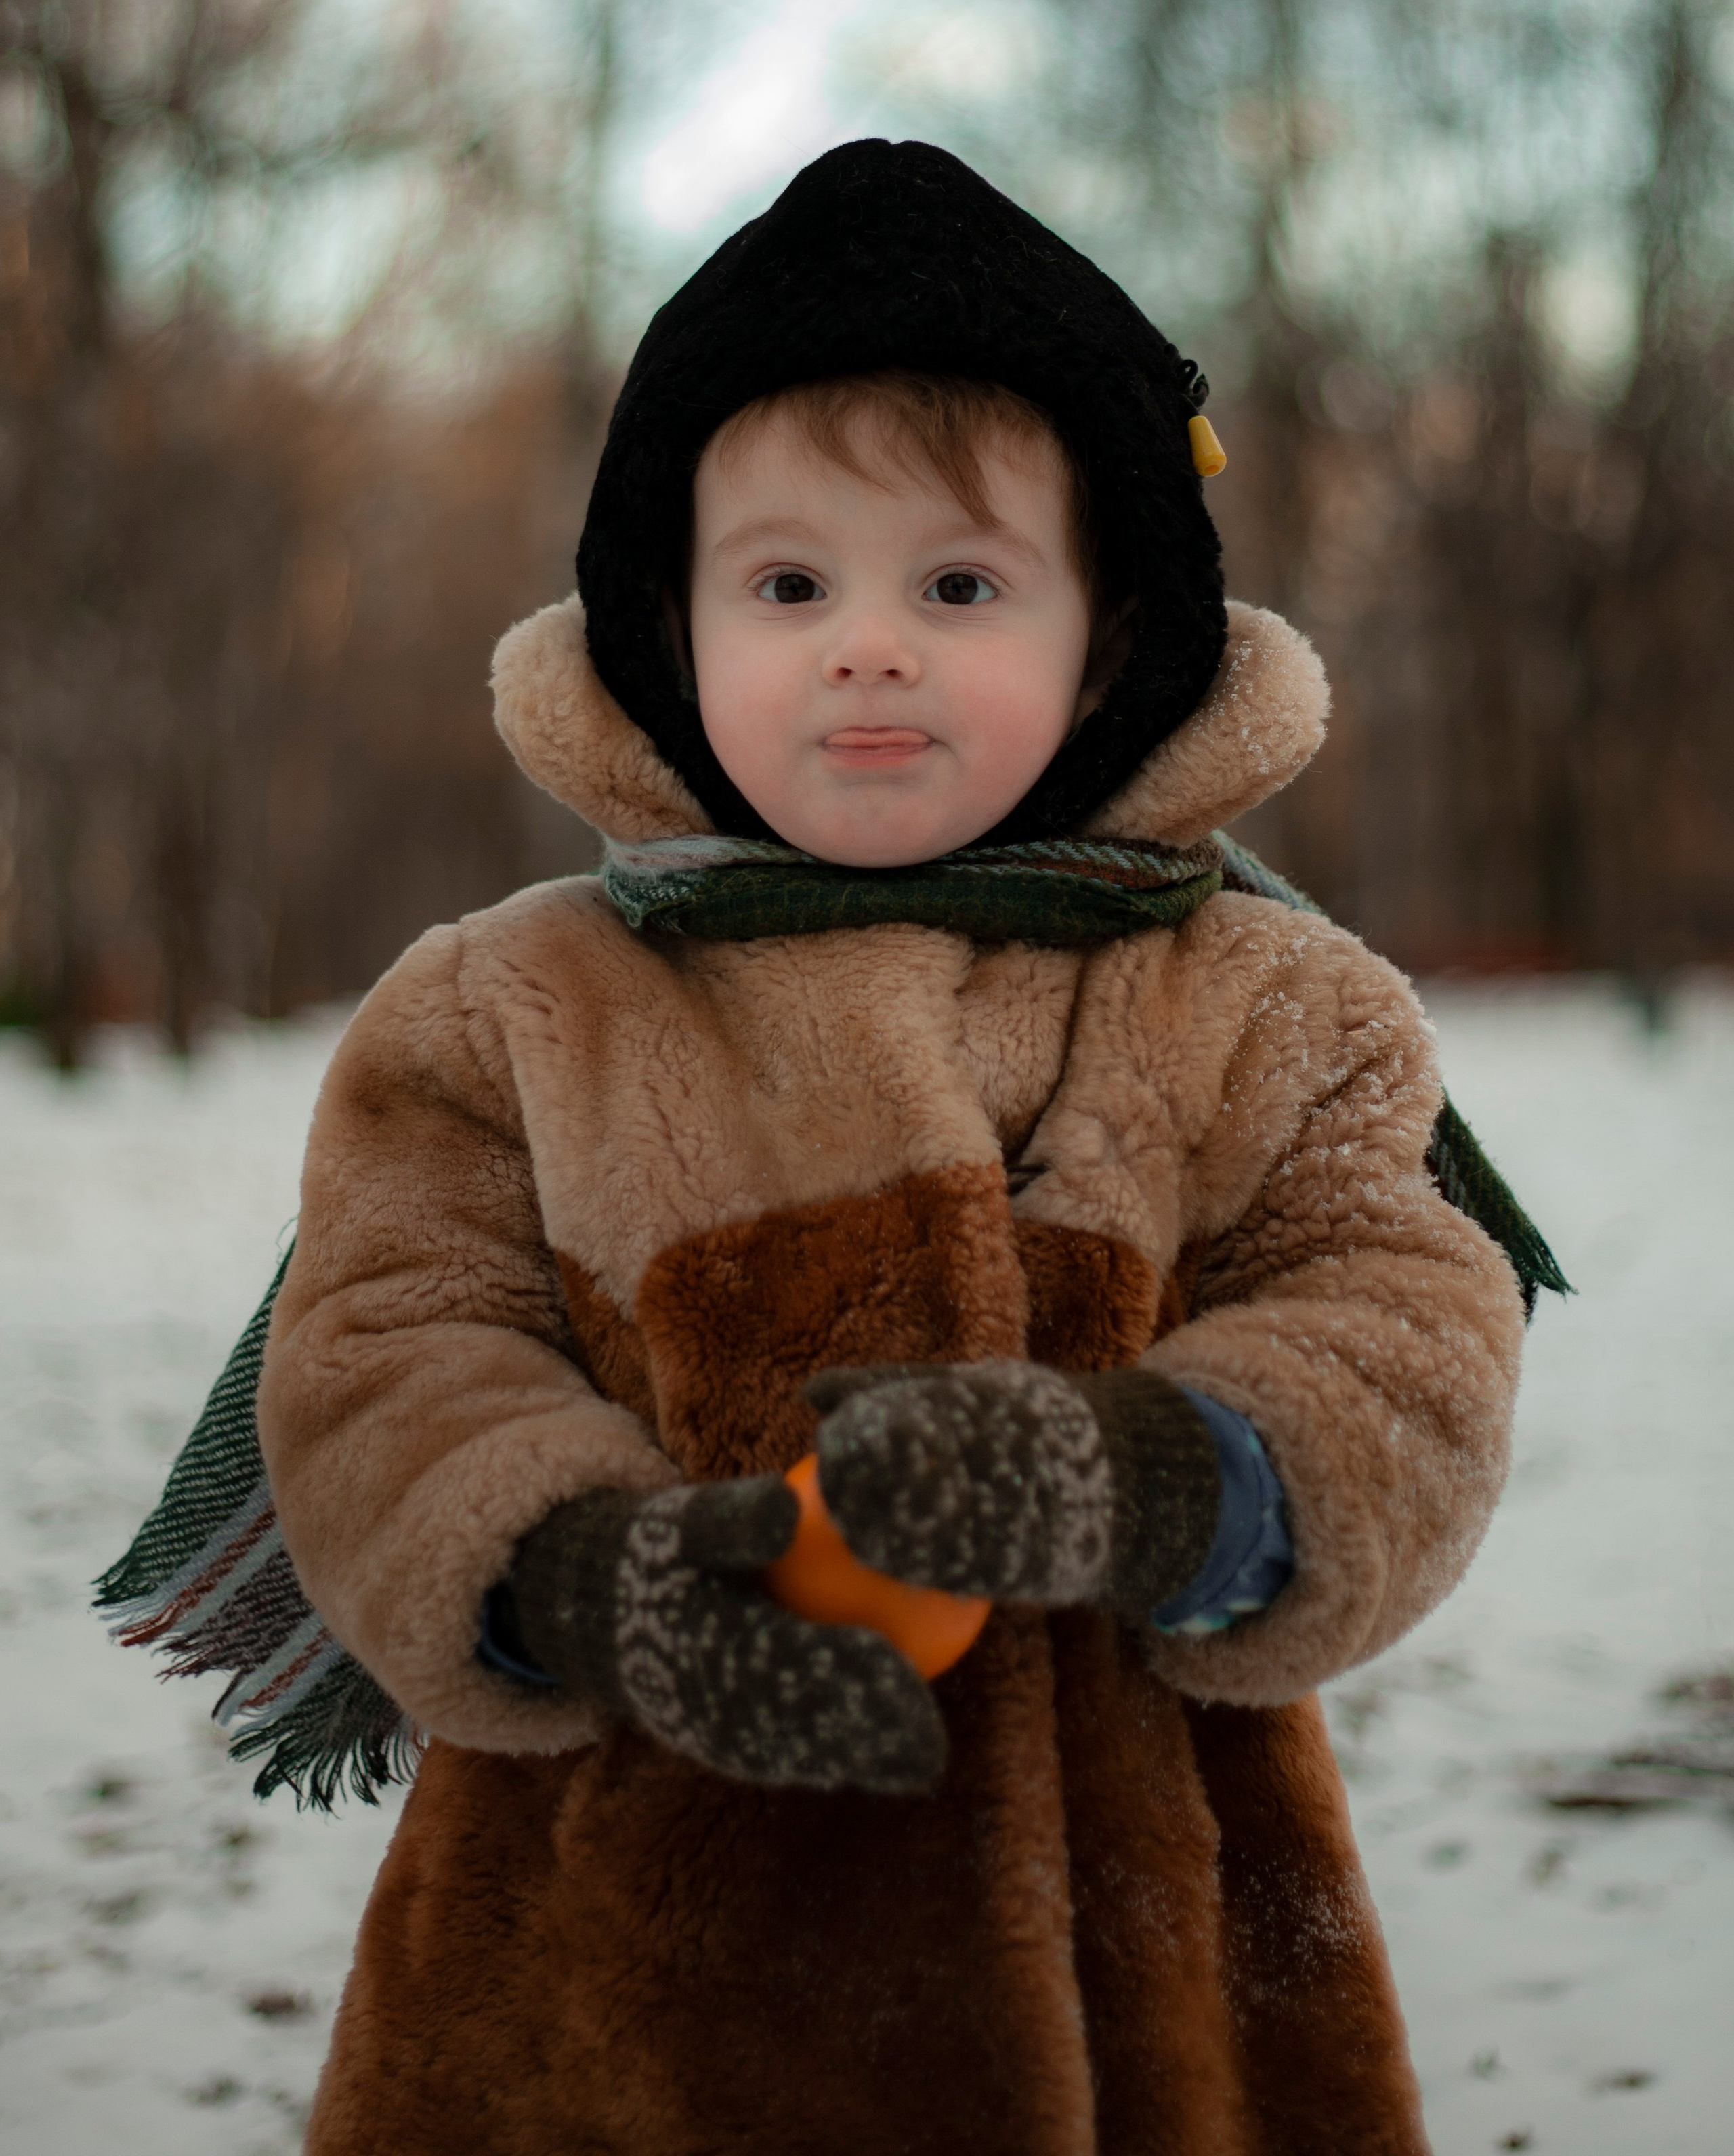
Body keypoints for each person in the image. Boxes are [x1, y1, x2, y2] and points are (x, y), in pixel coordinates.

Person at [257, 138, 1523, 2156]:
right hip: (603, 1979)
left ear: (1107, 637)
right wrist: (595, 1580)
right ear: (666, 633)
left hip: (1155, 1964)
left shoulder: (1272, 1005)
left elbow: (1412, 1330)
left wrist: (1150, 1472)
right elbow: (382, 1354)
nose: (869, 643)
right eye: (787, 583)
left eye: (957, 583)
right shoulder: (512, 1009)